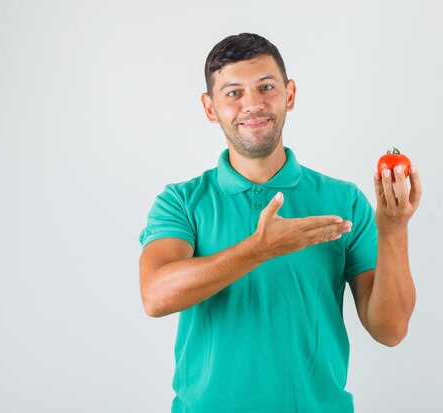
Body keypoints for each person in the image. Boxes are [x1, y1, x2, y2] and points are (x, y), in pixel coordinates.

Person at [138, 32, 422, 413]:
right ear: (210, 108)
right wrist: (258, 249)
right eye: (233, 93)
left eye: (265, 87)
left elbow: (390, 330)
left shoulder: (344, 201)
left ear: (289, 94)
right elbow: (155, 296)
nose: (252, 104)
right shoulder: (182, 202)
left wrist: (393, 229)